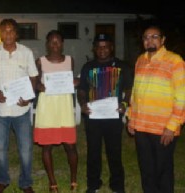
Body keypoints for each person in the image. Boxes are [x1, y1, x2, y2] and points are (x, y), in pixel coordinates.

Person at [127, 26, 185, 193]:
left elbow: (182, 98)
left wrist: (172, 127)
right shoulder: (140, 60)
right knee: (146, 170)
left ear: (163, 40)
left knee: (163, 170)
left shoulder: (175, 61)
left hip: (163, 128)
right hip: (142, 127)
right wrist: (131, 118)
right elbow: (135, 92)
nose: (150, 40)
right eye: (146, 37)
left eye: (154, 36)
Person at [0, 18, 38, 193]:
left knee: (26, 150)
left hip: (21, 110)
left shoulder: (26, 52)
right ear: (0, 34)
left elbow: (33, 77)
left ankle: (26, 182)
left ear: (16, 33)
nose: (8, 34)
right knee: (0, 149)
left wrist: (29, 97)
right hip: (0, 111)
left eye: (11, 30)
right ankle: (3, 179)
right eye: (4, 31)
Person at [77, 33, 133, 193]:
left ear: (111, 47)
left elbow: (129, 88)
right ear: (94, 49)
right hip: (93, 117)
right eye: (99, 47)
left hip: (113, 116)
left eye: (106, 46)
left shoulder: (123, 66)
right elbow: (82, 90)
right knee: (93, 152)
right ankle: (93, 184)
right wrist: (82, 104)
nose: (102, 50)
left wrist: (124, 103)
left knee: (114, 152)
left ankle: (117, 185)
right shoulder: (88, 67)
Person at [33, 30, 78, 193]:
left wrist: (75, 82)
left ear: (62, 43)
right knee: (47, 147)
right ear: (47, 44)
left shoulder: (70, 60)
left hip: (64, 106)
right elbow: (35, 83)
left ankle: (73, 179)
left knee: (70, 146)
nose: (55, 45)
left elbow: (71, 79)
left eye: (58, 41)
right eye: (51, 42)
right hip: (47, 106)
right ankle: (53, 183)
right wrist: (39, 86)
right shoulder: (40, 61)